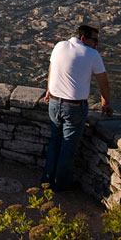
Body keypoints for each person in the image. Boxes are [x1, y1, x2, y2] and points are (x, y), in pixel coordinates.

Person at [42, 23, 112, 192]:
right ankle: (61, 186)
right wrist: (106, 103)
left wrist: (49, 89)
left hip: (53, 103)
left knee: (55, 143)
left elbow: (52, 67)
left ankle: (46, 181)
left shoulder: (59, 46)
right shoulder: (92, 54)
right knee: (68, 148)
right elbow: (103, 81)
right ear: (84, 38)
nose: (96, 44)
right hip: (74, 107)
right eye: (95, 40)